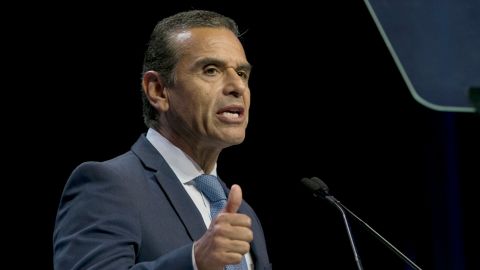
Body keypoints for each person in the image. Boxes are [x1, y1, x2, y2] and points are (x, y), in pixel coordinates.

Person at [53, 10, 271, 270]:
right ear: (158, 90)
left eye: (242, 74)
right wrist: (195, 261)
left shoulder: (242, 214)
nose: (237, 87)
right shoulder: (109, 185)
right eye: (211, 70)